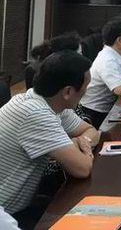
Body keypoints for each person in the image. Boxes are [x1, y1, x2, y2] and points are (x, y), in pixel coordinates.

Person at [0, 51, 99, 227]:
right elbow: (82, 169)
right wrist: (80, 148)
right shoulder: (35, 114)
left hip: (23, 205)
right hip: (8, 216)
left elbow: (90, 131)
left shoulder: (50, 103)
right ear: (68, 91)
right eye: (86, 87)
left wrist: (82, 142)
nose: (86, 91)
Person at [79, 19, 121, 128]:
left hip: (108, 109)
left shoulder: (115, 55)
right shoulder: (108, 59)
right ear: (120, 40)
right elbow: (119, 90)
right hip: (95, 114)